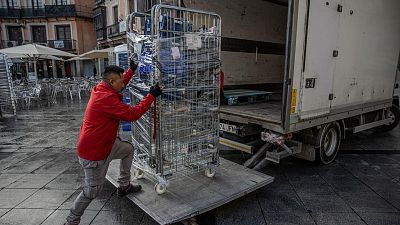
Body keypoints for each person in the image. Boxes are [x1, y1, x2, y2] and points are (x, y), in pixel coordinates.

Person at [65, 58, 162, 225]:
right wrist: (151, 96)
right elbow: (132, 114)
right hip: (94, 153)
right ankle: (71, 220)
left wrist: (130, 71)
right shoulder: (105, 99)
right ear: (111, 81)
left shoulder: (103, 89)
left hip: (107, 144)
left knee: (128, 149)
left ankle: (123, 186)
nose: (124, 83)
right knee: (91, 191)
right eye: (121, 80)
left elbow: (120, 80)